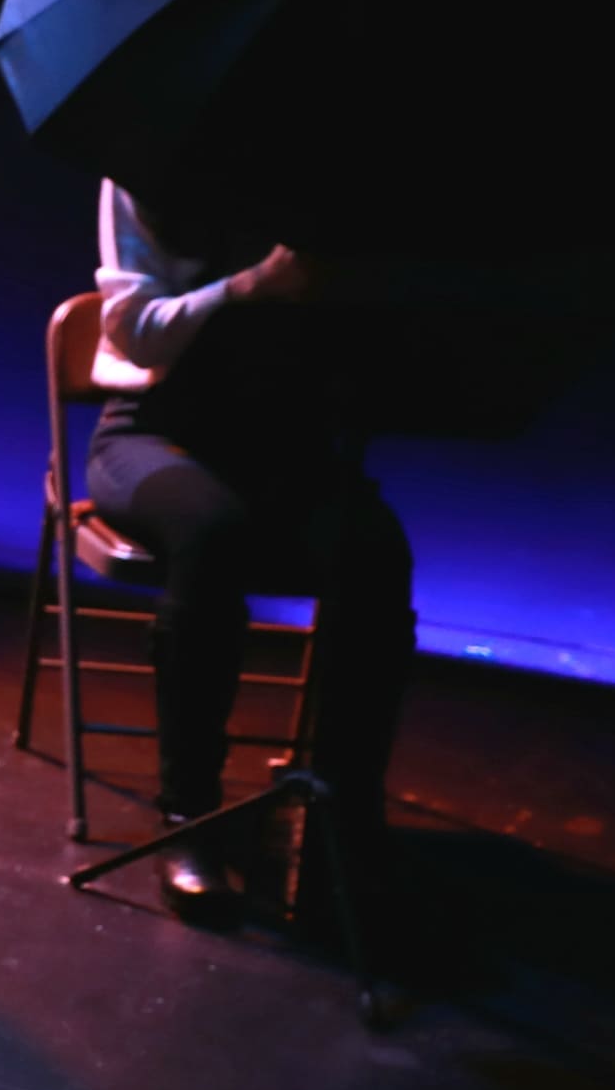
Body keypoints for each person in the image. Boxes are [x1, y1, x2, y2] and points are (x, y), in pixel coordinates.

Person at [87, 180, 417, 930]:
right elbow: (137, 336)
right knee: (212, 533)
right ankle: (188, 813)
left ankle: (344, 811)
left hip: (281, 445)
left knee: (375, 550)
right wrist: (247, 287)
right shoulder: (148, 165)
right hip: (152, 432)